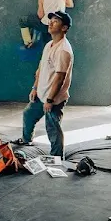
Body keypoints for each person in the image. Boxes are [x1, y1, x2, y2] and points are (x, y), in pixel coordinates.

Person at [17, 11, 74, 159]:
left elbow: (60, 77)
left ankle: (56, 156)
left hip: (53, 98)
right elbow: (41, 68)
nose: (51, 23)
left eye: (55, 21)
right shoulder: (49, 44)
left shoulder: (63, 50)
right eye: (51, 20)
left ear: (64, 28)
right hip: (41, 93)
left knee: (52, 127)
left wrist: (50, 100)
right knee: (28, 114)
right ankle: (26, 139)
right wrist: (35, 88)